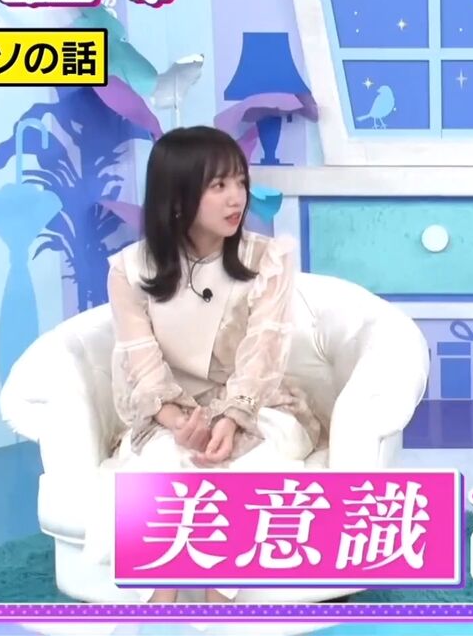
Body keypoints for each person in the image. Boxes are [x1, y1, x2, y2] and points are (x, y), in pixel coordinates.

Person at [81, 126, 322, 604]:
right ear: (177, 196)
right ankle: (161, 600)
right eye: (219, 185)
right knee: (163, 461)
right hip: (171, 411)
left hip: (259, 406)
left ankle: (219, 603)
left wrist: (230, 421)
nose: (237, 198)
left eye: (240, 182)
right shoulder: (129, 270)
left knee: (246, 465)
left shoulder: (267, 259)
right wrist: (179, 422)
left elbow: (263, 353)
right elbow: (141, 362)